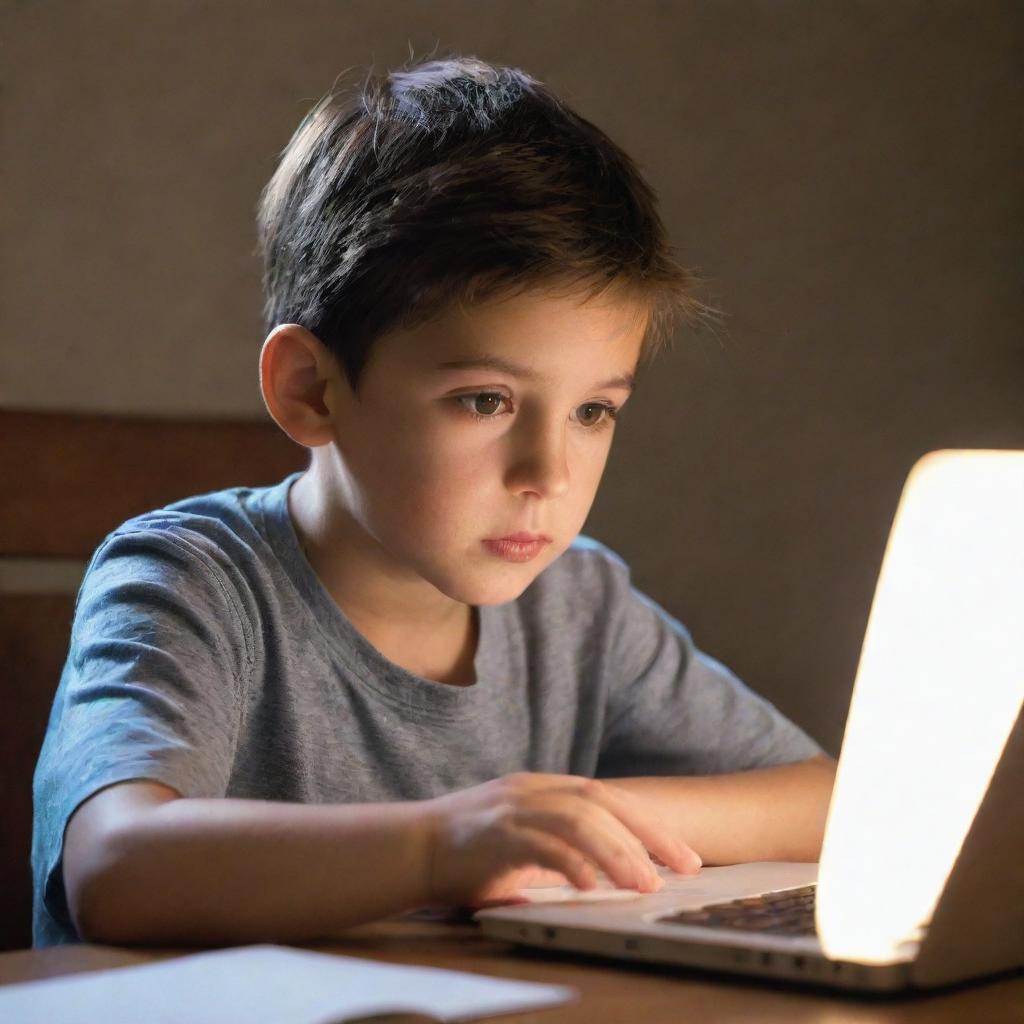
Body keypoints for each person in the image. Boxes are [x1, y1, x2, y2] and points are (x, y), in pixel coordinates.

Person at [32, 54, 836, 948]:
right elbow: (116, 869)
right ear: (312, 391)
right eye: (485, 401)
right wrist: (444, 842)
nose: (551, 473)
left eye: (593, 411)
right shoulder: (195, 581)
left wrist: (571, 817)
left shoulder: (580, 607)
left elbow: (829, 801)